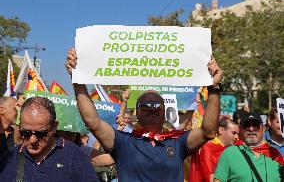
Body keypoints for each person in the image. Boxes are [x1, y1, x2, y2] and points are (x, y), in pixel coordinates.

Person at [65, 48, 223, 182]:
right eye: (145, 106)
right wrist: (78, 81)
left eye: (156, 105)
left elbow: (208, 131)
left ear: (164, 111)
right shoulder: (123, 142)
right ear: (137, 112)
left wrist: (214, 88)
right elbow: (93, 122)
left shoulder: (178, 142)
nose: (152, 108)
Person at [0, 97, 99, 182]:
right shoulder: (10, 157)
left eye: (41, 134)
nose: (33, 139)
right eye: (26, 133)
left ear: (54, 127)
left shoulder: (74, 156)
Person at [214, 112, 284, 182]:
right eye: (246, 125)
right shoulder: (229, 153)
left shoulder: (275, 155)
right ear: (240, 129)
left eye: (255, 125)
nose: (251, 129)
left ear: (263, 129)